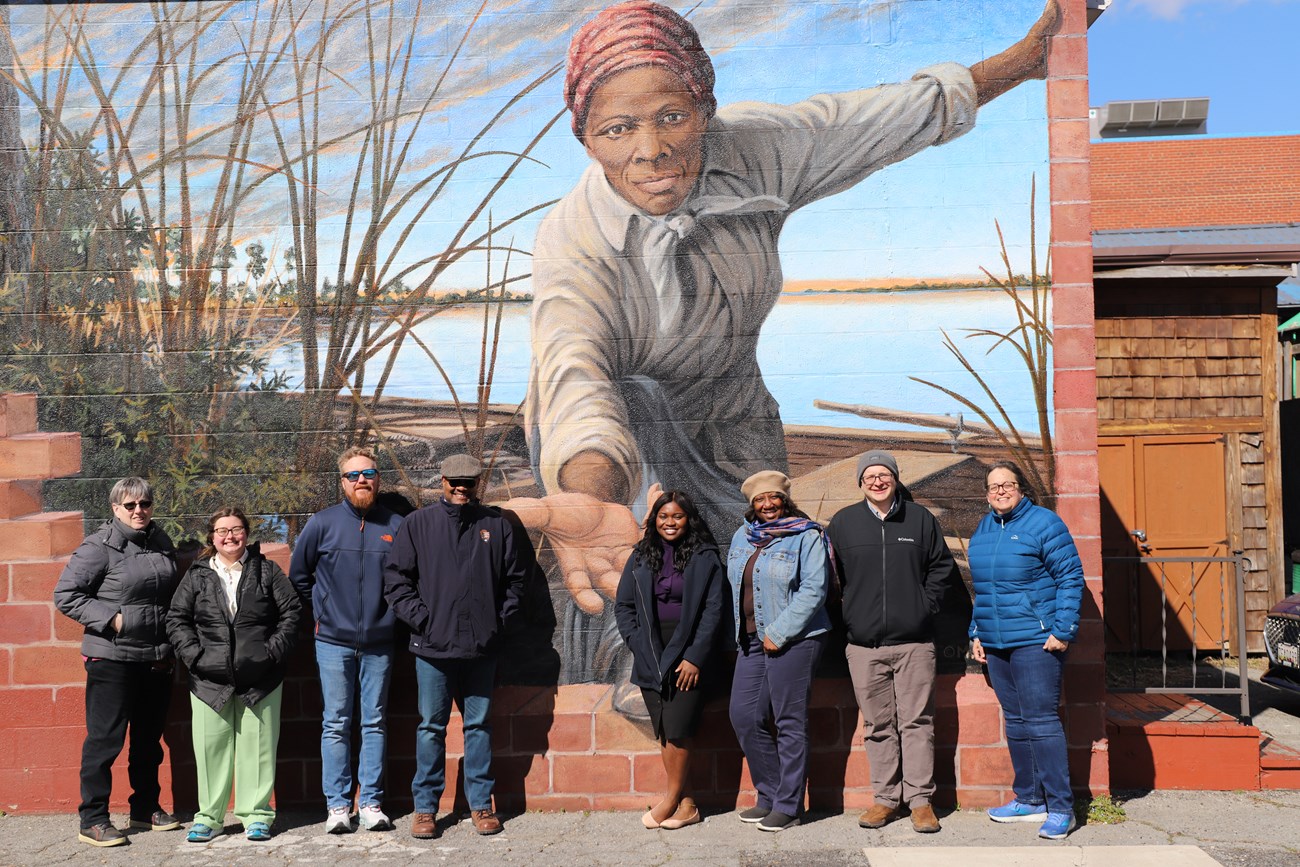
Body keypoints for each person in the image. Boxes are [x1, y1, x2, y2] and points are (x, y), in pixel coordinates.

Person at [510, 0, 1063, 686]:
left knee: (763, 582)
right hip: (618, 434)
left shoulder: (757, 150)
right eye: (618, 129)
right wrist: (593, 494)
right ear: (588, 140)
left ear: (705, 108)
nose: (649, 149)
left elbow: (884, 119)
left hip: (734, 413)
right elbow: (576, 375)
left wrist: (1021, 62)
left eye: (672, 117)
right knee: (642, 568)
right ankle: (635, 686)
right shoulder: (574, 241)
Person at [383, 453, 531, 840]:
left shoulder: (497, 525)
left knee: (478, 726)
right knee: (431, 727)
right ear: (443, 480)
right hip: (432, 650)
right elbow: (397, 581)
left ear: (478, 483)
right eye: (455, 481)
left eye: (469, 482)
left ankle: (481, 805)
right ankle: (426, 809)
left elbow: (516, 581)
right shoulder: (418, 524)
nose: (461, 488)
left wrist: (497, 623)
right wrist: (425, 621)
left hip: (482, 648)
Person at [826, 450, 956, 833]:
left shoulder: (919, 520)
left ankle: (920, 801)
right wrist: (850, 615)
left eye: (885, 474)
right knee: (878, 725)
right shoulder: (844, 523)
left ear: (896, 479)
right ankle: (885, 799)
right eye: (870, 475)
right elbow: (831, 578)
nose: (878, 481)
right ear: (860, 482)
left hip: (914, 642)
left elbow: (941, 569)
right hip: (863, 647)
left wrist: (922, 608)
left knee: (917, 722)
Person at [53, 477, 181, 847]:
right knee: (105, 741)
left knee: (148, 739)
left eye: (145, 503)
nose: (138, 510)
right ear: (115, 509)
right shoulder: (98, 547)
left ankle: (144, 808)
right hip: (111, 658)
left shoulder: (160, 541)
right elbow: (65, 594)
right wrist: (113, 619)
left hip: (155, 657)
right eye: (130, 505)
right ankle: (92, 819)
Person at [289, 446, 408, 834]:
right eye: (353, 475)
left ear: (378, 479)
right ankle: (338, 806)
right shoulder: (321, 524)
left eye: (368, 474)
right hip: (333, 643)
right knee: (336, 723)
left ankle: (371, 802)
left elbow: (409, 578)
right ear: (341, 481)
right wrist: (324, 615)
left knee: (374, 722)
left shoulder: (397, 524)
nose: (361, 480)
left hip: (380, 642)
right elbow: (300, 578)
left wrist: (389, 618)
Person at [166, 507, 301, 843]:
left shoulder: (266, 570)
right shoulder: (197, 575)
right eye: (222, 530)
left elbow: (292, 613)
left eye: (236, 529)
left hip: (261, 679)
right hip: (208, 681)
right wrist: (195, 657)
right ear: (212, 536)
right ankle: (209, 818)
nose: (230, 536)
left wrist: (270, 653)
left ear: (247, 533)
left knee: (258, 749)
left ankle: (257, 816)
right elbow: (176, 619)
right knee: (211, 750)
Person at [968, 461, 1084, 840]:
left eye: (1007, 484)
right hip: (997, 643)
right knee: (1016, 721)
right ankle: (1030, 799)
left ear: (1021, 488)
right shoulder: (984, 528)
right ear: (986, 493)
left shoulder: (1044, 523)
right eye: (993, 486)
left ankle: (1062, 808)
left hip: (1036, 641)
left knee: (1041, 721)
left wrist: (1062, 629)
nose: (1000, 491)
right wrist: (977, 632)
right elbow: (984, 591)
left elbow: (1070, 576)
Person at [726, 470, 832, 832]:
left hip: (797, 638)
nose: (767, 505)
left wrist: (780, 631)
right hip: (752, 640)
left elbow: (815, 588)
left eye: (773, 498)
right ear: (752, 505)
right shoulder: (742, 536)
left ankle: (788, 806)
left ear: (785, 500)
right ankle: (769, 794)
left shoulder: (807, 536)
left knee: (789, 721)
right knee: (743, 715)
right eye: (760, 500)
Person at [614, 489, 725, 831]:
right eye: (664, 516)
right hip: (651, 652)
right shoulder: (641, 556)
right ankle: (688, 804)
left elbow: (714, 610)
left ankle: (669, 799)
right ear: (654, 520)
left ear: (688, 519)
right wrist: (636, 642)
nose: (670, 522)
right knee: (665, 731)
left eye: (677, 516)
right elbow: (624, 606)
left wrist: (694, 657)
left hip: (688, 654)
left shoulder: (706, 556)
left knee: (679, 729)